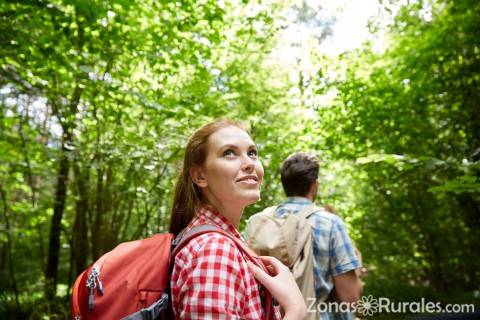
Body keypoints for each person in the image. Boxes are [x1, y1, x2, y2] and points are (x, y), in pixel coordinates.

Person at [169, 119, 306, 319]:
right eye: (229, 153)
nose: (249, 163)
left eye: (252, 153)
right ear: (200, 176)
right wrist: (295, 310)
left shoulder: (219, 241)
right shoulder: (214, 249)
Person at [272, 152, 363, 319]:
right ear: (314, 185)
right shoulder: (330, 223)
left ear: (285, 185)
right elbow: (350, 297)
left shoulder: (263, 222)